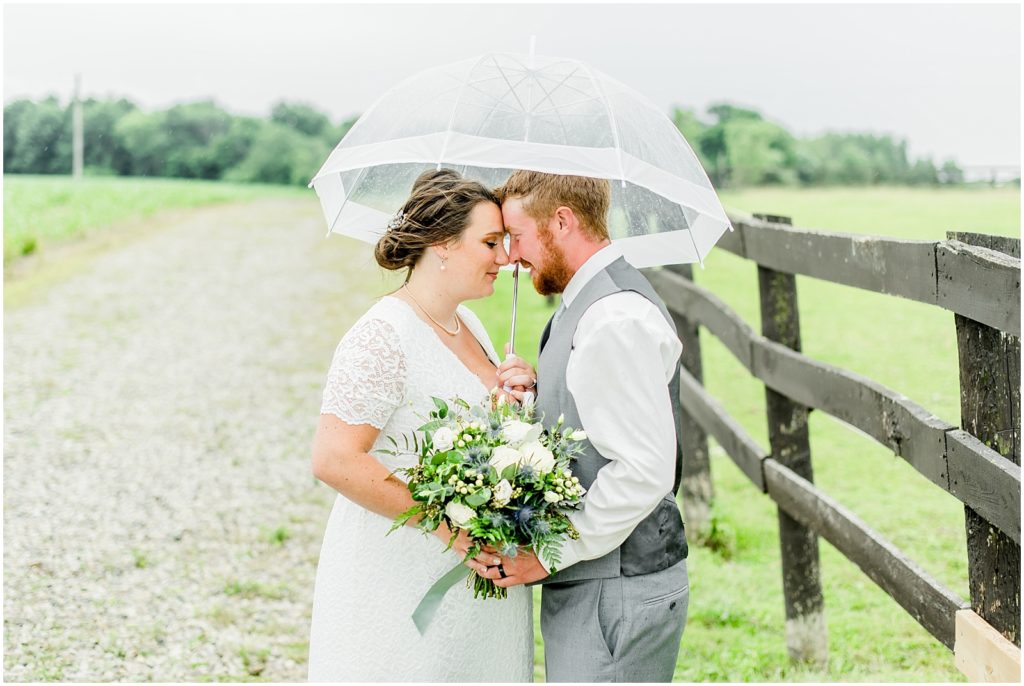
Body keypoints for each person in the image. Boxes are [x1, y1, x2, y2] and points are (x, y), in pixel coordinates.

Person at [308, 169, 536, 682]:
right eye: (490, 241)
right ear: (442, 245)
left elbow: (473, 430)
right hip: (402, 574)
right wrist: (445, 525)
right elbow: (334, 458)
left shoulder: (468, 324)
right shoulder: (383, 336)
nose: (504, 257)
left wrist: (514, 397)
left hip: (477, 576)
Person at [483, 171, 690, 682]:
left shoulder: (611, 320)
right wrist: (537, 396)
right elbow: (600, 423)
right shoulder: (588, 303)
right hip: (600, 579)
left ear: (562, 221)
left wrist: (545, 557)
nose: (510, 255)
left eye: (518, 235)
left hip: (615, 588)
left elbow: (643, 470)